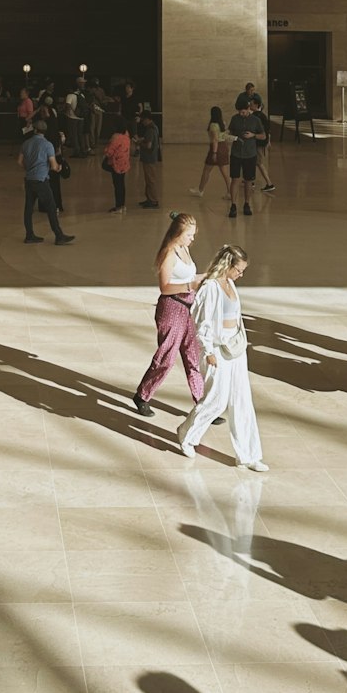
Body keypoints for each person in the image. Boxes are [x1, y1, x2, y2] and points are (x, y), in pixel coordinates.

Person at [176, 244, 267, 470]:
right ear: (227, 265)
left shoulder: (231, 285)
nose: (241, 274)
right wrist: (208, 352)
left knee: (242, 400)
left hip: (235, 347)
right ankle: (186, 435)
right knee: (216, 398)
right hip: (216, 349)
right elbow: (201, 321)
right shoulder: (210, 288)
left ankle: (248, 454)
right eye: (238, 269)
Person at [133, 212, 203, 415]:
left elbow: (189, 276)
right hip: (171, 308)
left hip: (187, 308)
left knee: (192, 356)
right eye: (189, 235)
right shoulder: (169, 253)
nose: (192, 238)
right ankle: (142, 395)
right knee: (167, 357)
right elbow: (165, 287)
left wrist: (207, 277)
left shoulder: (184, 249)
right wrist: (190, 285)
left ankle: (202, 402)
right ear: (178, 233)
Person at [18, 119, 74, 245]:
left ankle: (29, 235)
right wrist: (59, 168)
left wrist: (29, 169)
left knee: (28, 208)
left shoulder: (26, 143)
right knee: (51, 207)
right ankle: (59, 236)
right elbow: (54, 166)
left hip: (29, 180)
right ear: (44, 131)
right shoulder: (47, 145)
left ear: (35, 130)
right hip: (41, 180)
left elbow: (19, 161)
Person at [226, 94, 265, 219]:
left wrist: (253, 135)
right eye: (239, 112)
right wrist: (229, 136)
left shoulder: (256, 120)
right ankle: (233, 205)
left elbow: (263, 135)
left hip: (250, 154)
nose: (241, 114)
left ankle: (247, 203)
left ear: (248, 109)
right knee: (235, 179)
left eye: (243, 112)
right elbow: (230, 132)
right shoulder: (234, 119)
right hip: (236, 153)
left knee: (249, 180)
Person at [190, 106, 229, 199]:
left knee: (207, 170)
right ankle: (229, 192)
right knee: (224, 172)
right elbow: (224, 136)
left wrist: (214, 153)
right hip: (223, 146)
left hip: (216, 148)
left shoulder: (213, 125)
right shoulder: (222, 123)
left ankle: (200, 190)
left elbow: (215, 139)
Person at [103, 117, 131, 213]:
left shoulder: (116, 137)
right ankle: (122, 205)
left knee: (117, 185)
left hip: (116, 164)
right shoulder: (126, 134)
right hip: (124, 163)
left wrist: (105, 151)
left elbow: (109, 152)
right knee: (121, 185)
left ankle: (118, 206)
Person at [248, 98, 276, 194]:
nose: (250, 105)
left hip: (257, 143)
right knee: (255, 162)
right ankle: (251, 181)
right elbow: (268, 129)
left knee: (258, 163)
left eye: (251, 104)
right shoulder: (262, 116)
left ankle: (269, 183)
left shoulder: (256, 116)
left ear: (256, 105)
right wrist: (268, 140)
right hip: (260, 142)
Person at [137, 111, 161, 209]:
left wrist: (139, 143)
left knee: (150, 180)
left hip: (149, 158)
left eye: (143, 120)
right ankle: (149, 199)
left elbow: (148, 145)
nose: (142, 122)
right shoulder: (154, 127)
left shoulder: (150, 129)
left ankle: (154, 200)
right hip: (150, 157)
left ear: (148, 119)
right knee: (148, 179)